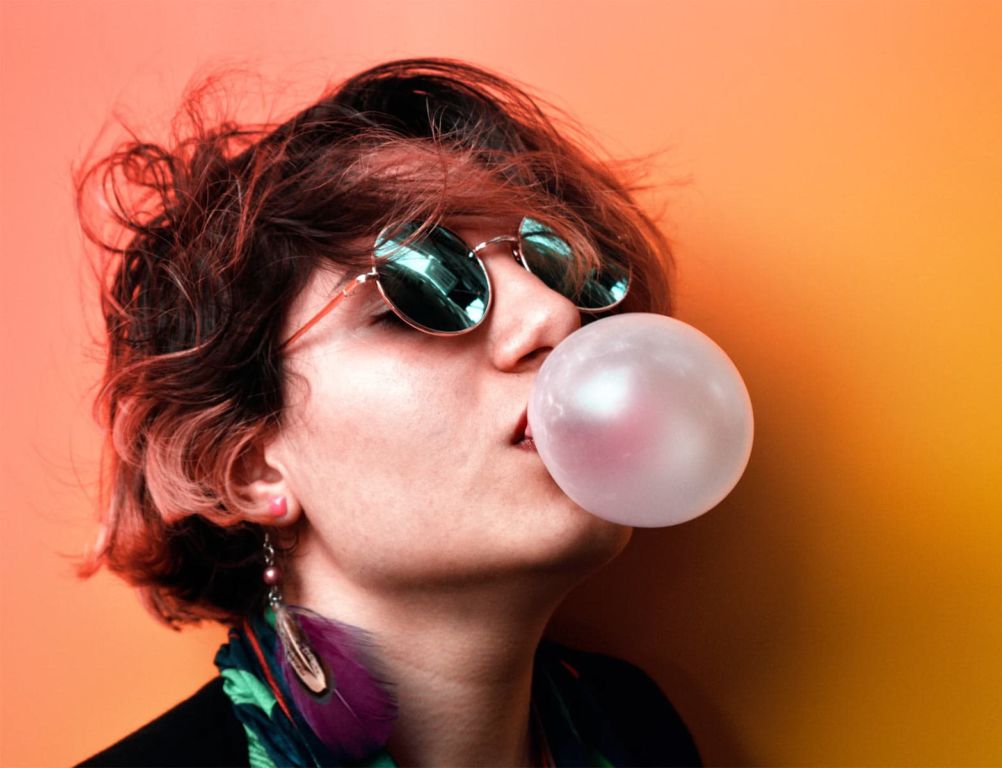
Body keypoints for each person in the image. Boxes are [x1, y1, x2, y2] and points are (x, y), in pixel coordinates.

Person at [74, 58, 702, 767]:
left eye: (558, 263)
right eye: (419, 294)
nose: (554, 313)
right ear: (247, 467)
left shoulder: (639, 728)